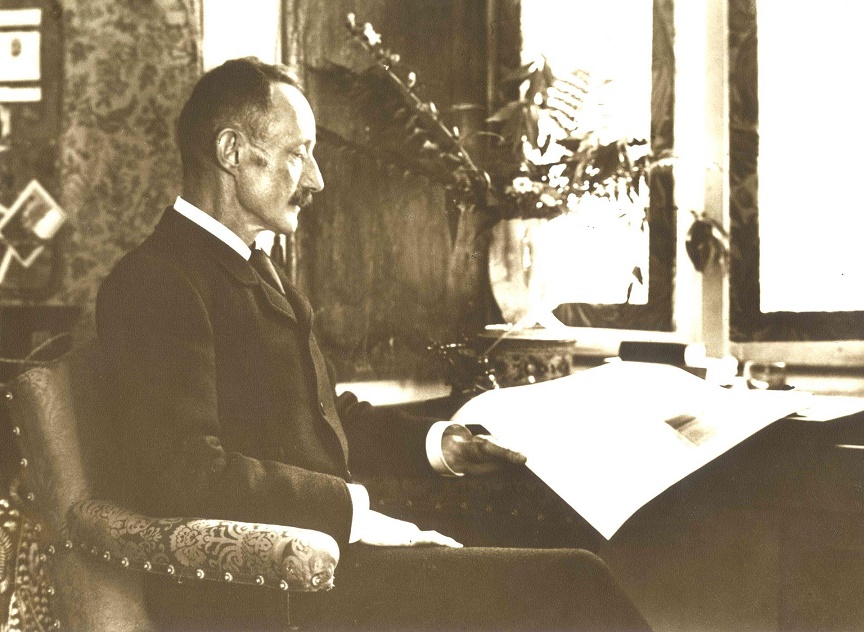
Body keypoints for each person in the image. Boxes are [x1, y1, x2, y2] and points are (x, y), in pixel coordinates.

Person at [96, 56, 651, 631]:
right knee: (572, 581)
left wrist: (441, 444)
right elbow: (180, 472)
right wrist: (357, 515)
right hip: (268, 592)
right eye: (298, 153)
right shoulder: (155, 282)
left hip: (326, 558)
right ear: (232, 151)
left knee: (564, 533)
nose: (316, 179)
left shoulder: (256, 268)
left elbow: (323, 420)